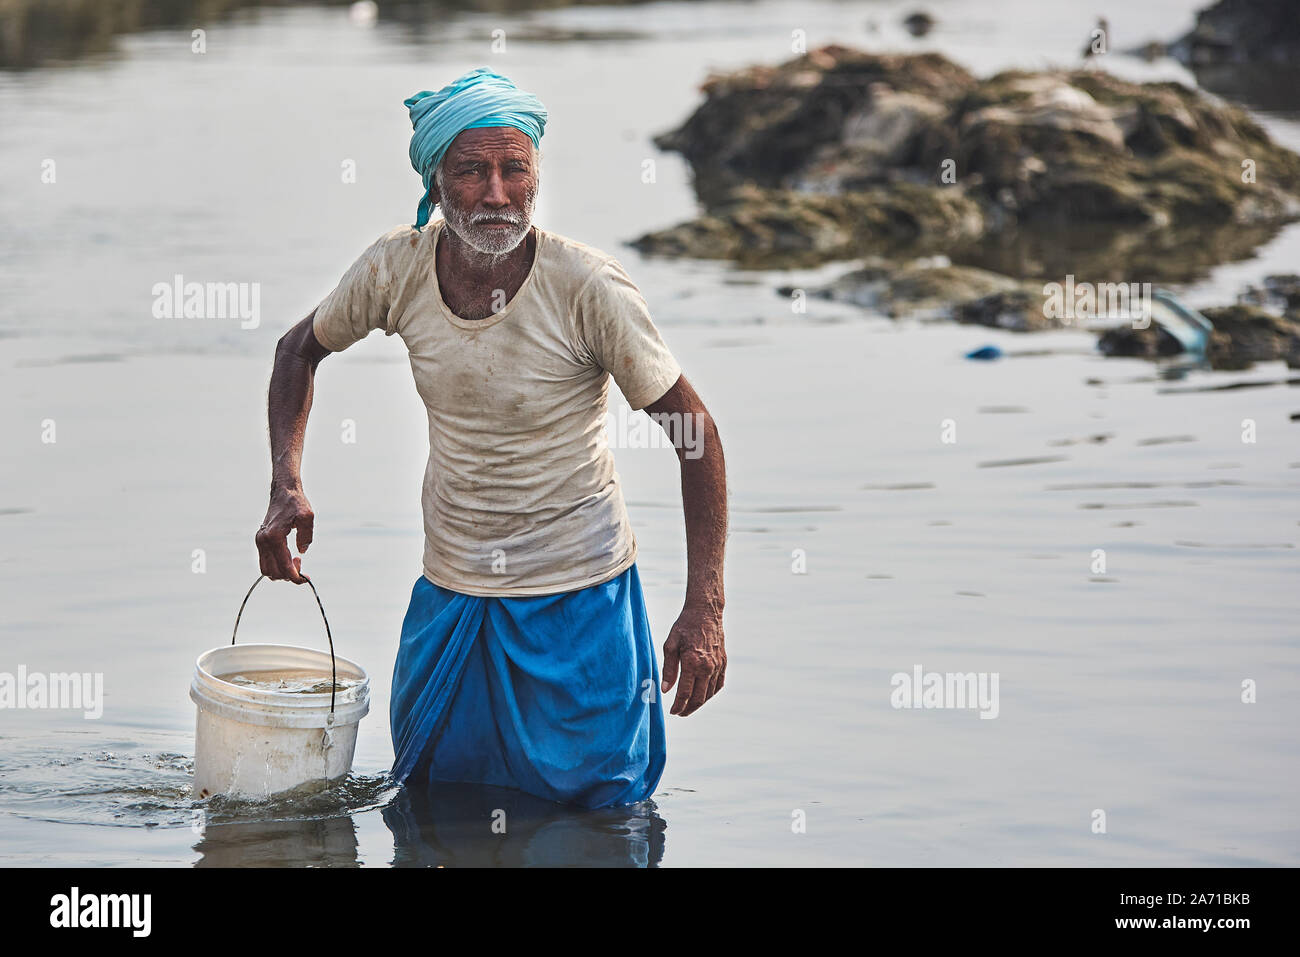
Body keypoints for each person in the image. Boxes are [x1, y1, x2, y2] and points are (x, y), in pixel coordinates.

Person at [255, 67, 728, 809]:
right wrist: (287, 484)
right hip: (453, 601)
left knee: (599, 825)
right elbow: (296, 351)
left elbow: (695, 436)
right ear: (435, 181)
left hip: (580, 606)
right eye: (472, 171)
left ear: (537, 173)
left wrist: (705, 606)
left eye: (515, 169)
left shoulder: (588, 289)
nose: (497, 193)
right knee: (435, 810)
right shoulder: (397, 267)